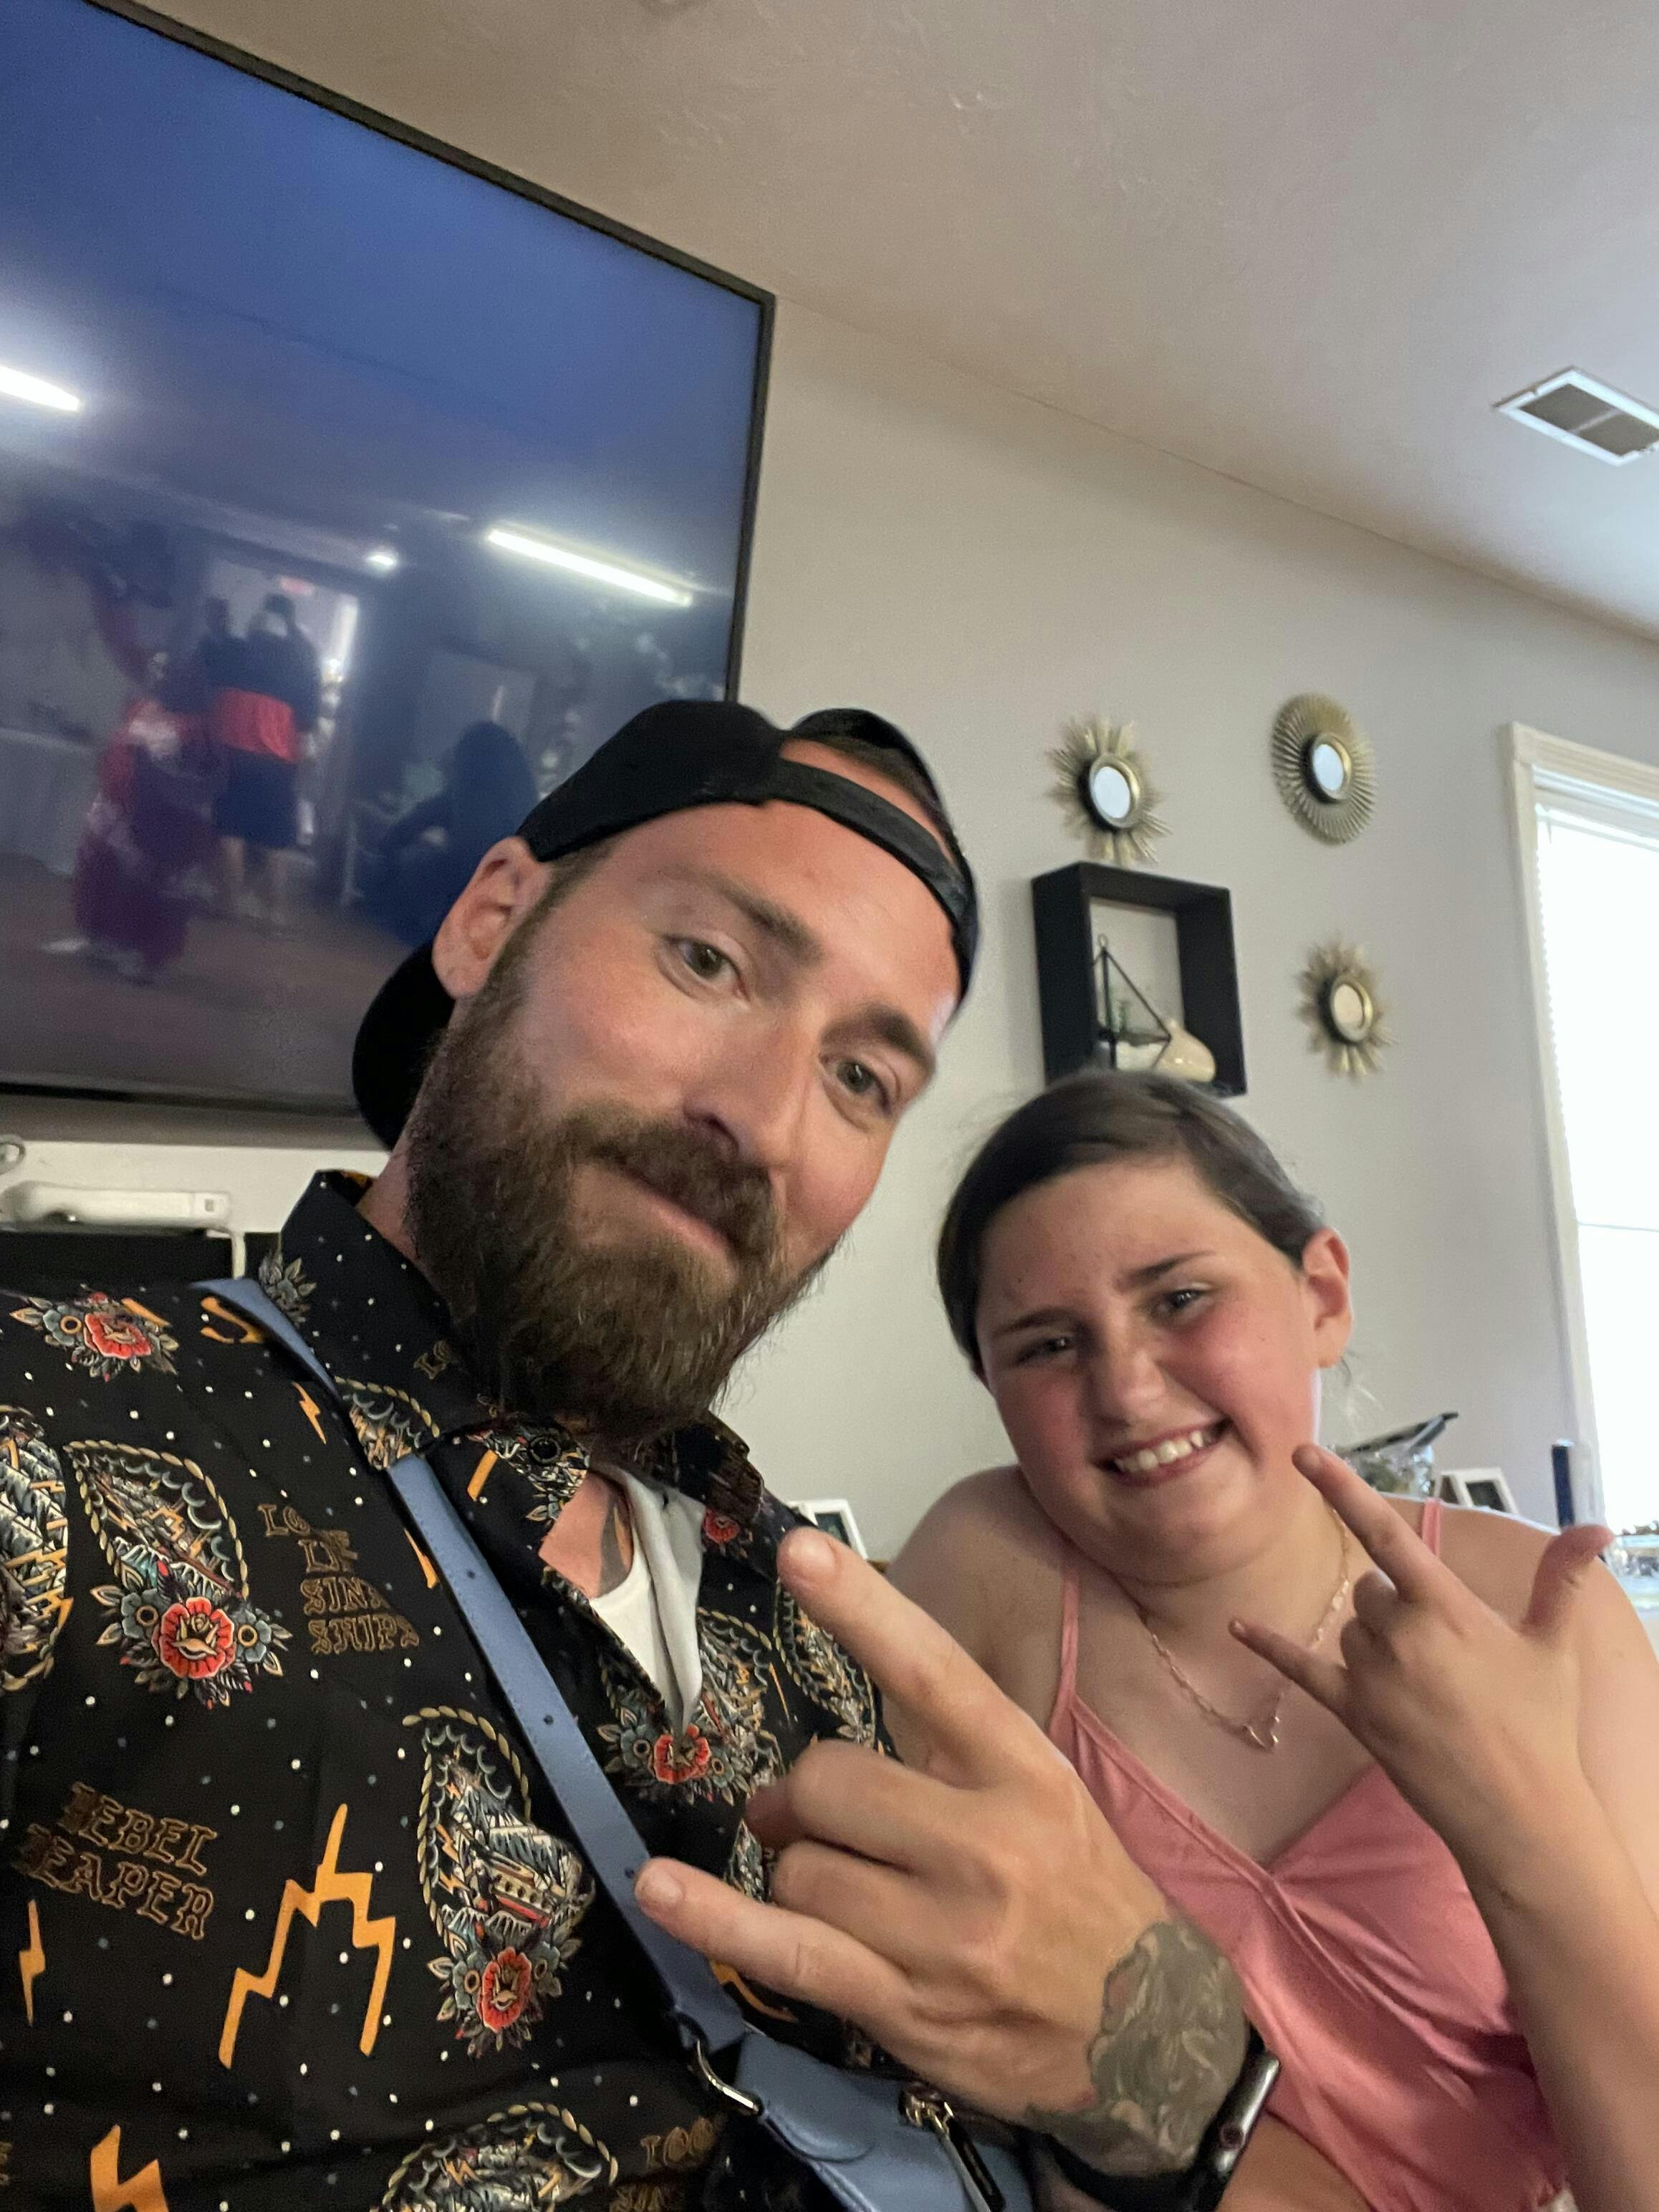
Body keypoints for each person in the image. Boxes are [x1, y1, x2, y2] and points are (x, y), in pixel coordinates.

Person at [0, 705, 1285, 2212]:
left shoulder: (819, 1616)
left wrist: (1159, 2076)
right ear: (492, 918)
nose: (762, 1121)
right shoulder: (55, 1447)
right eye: (710, 961)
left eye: (861, 1077)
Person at [895, 1068, 1659, 2212]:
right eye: (1048, 1346)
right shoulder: (985, 1574)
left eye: (1180, 1298)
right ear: (991, 1386)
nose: (1126, 1389)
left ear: (1322, 1297)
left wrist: (1521, 1821)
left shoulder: (1536, 1611)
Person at [46, 649, 220, 982]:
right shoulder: (146, 707)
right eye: (155, 670)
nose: (156, 677)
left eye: (164, 672)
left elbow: (192, 780)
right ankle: (100, 940)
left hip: (157, 820)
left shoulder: (196, 729)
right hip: (116, 808)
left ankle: (147, 957)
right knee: (100, 873)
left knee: (150, 888)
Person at [368, 719, 539, 948]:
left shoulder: (467, 788)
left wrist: (386, 848)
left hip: (466, 881)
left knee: (411, 867)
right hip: (515, 891)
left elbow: (415, 822)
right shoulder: (522, 793)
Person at [208, 589, 322, 927]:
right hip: (279, 762)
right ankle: (276, 915)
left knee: (232, 830)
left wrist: (220, 625)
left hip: (236, 754)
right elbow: (307, 724)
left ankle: (230, 905)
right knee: (276, 840)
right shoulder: (301, 663)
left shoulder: (238, 652)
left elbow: (211, 670)